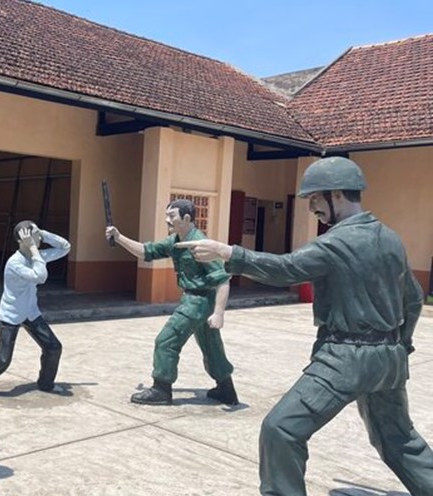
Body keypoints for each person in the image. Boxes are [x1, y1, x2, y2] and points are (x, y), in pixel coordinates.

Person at [177, 156, 433, 495]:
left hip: (345, 357)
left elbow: (286, 268)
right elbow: (413, 300)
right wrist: (402, 344)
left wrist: (227, 252)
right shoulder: (391, 239)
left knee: (280, 429)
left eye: (315, 198)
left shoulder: (336, 243)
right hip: (388, 359)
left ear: (337, 194)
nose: (313, 208)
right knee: (399, 439)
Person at [105, 199, 238, 406]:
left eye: (172, 216)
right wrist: (119, 237)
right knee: (212, 347)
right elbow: (145, 251)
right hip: (195, 300)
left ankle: (161, 388)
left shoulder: (199, 243)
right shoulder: (175, 240)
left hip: (198, 301)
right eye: (167, 215)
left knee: (166, 341)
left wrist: (219, 313)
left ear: (186, 218)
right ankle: (226, 389)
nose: (167, 220)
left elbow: (223, 280)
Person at [0, 221, 71, 397]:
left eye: (38, 234)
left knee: (53, 347)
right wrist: (34, 249)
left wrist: (43, 233)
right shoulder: (15, 263)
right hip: (12, 314)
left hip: (30, 312)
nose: (38, 237)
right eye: (34, 234)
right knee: (3, 360)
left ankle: (46, 384)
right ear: (23, 240)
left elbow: (65, 247)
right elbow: (40, 276)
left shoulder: (36, 256)